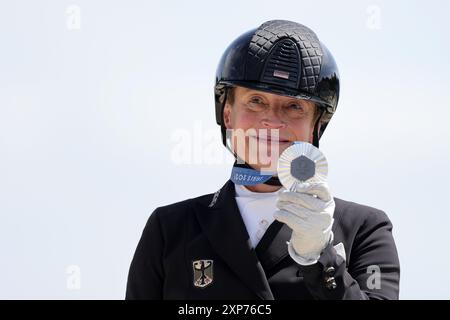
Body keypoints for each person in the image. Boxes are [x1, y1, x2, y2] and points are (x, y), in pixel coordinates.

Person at [125, 20, 400, 300]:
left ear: (316, 126)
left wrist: (320, 257)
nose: (272, 121)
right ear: (228, 114)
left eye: (294, 106)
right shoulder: (170, 229)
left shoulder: (365, 229)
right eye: (256, 101)